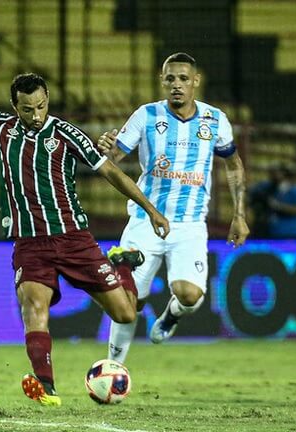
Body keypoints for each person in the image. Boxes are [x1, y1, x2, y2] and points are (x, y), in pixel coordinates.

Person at [0, 66, 170, 406]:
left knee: (125, 314)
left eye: (40, 106)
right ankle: (46, 385)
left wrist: (152, 210)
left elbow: (110, 172)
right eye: (27, 109)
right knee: (33, 308)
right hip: (29, 243)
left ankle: (121, 264)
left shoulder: (67, 135)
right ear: (14, 106)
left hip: (73, 239)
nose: (36, 115)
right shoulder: (2, 128)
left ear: (47, 100)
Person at [96, 52, 250, 364]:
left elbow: (233, 164)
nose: (176, 85)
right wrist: (104, 148)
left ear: (196, 81)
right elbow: (112, 160)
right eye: (170, 79)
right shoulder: (146, 116)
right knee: (127, 301)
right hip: (145, 220)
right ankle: (114, 367)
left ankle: (171, 315)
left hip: (190, 224)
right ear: (162, 82)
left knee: (190, 295)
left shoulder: (215, 120)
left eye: (183, 78)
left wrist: (239, 213)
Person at [248, 164, 296, 238]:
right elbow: (252, 190)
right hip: (269, 231)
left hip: (288, 233)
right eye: (271, 172)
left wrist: (279, 206)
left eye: (275, 172)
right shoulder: (269, 187)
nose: (272, 175)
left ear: (284, 173)